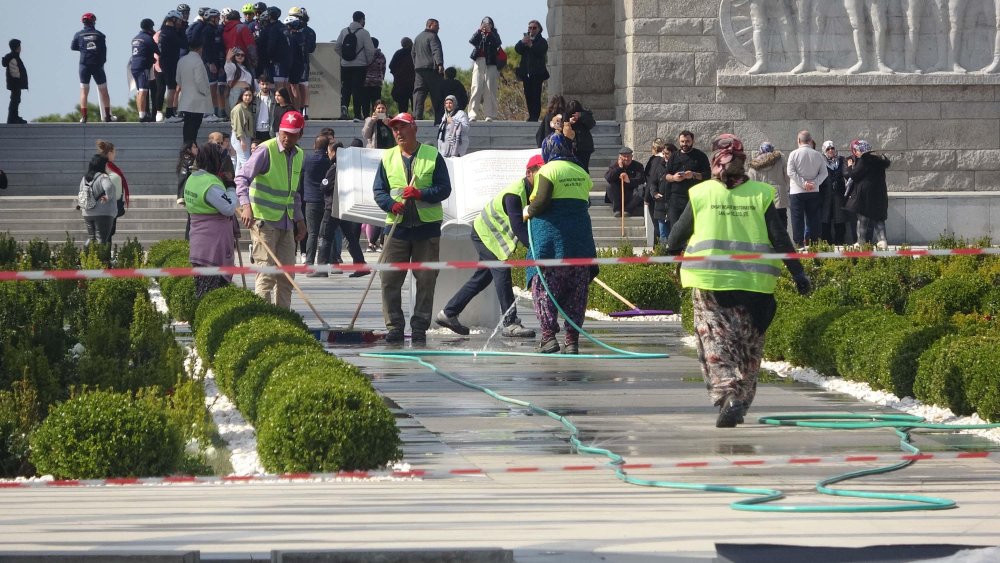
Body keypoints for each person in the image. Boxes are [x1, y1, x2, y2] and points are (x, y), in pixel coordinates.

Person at [665, 133, 811, 428]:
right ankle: (741, 400)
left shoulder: (702, 192)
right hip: (755, 285)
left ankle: (728, 395)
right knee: (747, 346)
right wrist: (798, 273)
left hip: (710, 282)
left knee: (715, 342)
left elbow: (676, 236)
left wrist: (671, 252)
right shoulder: (761, 193)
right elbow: (780, 237)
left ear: (714, 159)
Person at [436, 155, 542, 338]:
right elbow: (518, 227)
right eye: (540, 173)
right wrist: (535, 250)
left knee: (481, 279)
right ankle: (510, 323)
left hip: (491, 236)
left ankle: (448, 313)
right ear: (529, 173)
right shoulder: (515, 194)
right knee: (502, 273)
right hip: (485, 234)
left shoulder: (532, 191)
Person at [372, 112, 452, 344]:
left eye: (402, 127)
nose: (398, 132)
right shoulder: (388, 157)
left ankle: (419, 327)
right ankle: (394, 327)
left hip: (426, 230)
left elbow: (444, 188)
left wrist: (421, 194)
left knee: (426, 280)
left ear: (414, 128)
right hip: (396, 229)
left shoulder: (432, 155)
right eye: (395, 129)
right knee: (389, 280)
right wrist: (391, 204)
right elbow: (379, 190)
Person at [524, 127, 596, 355]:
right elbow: (585, 201)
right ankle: (572, 340)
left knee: (544, 289)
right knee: (577, 291)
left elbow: (542, 201)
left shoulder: (548, 170)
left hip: (550, 243)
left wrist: (528, 211)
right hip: (579, 242)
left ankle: (548, 338)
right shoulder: (581, 171)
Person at [236, 110, 307, 309]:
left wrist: (300, 220)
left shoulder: (299, 155)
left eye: (292, 134)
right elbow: (241, 178)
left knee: (287, 276)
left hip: (287, 222)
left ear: (300, 134)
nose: (286, 138)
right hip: (264, 221)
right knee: (266, 274)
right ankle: (263, 317)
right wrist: (246, 206)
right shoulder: (266, 150)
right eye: (284, 133)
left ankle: (283, 317)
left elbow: (295, 192)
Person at [185, 141, 239, 298]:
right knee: (212, 293)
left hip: (200, 242)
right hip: (212, 246)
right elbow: (228, 208)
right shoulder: (210, 183)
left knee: (203, 289)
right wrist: (230, 186)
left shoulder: (193, 178)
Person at [314, 137, 370, 278]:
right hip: (343, 205)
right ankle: (361, 265)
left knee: (324, 236)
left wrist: (323, 183)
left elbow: (324, 186)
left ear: (334, 152)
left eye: (329, 151)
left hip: (332, 207)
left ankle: (321, 268)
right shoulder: (347, 166)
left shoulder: (334, 167)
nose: (327, 154)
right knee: (350, 237)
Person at [844, 139, 891, 250]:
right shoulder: (879, 159)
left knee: (863, 218)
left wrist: (850, 166)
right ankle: (882, 241)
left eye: (855, 150)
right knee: (879, 218)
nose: (855, 153)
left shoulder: (864, 160)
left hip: (866, 195)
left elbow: (854, 176)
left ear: (859, 150)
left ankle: (861, 242)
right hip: (880, 193)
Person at [786, 130, 828, 248]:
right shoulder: (818, 155)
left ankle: (799, 244)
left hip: (797, 191)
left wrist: (803, 184)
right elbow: (824, 173)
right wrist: (814, 183)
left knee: (797, 219)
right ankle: (814, 244)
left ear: (798, 140)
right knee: (814, 218)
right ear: (810, 140)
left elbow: (790, 172)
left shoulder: (793, 154)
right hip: (813, 191)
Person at [664, 130, 711, 229]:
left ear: (693, 141)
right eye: (682, 141)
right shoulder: (674, 156)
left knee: (692, 228)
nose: (684, 144)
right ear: (679, 141)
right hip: (675, 199)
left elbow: (707, 175)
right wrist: (674, 178)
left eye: (687, 141)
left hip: (694, 198)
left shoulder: (700, 156)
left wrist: (693, 175)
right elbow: (666, 175)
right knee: (675, 228)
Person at [335, 11, 376, 121]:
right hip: (360, 65)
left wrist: (344, 57)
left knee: (346, 88)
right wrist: (367, 61)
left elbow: (337, 47)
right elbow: (370, 50)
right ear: (362, 19)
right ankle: (357, 114)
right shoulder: (364, 33)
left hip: (345, 65)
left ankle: (344, 108)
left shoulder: (344, 31)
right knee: (357, 90)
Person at [71, 13, 112, 123]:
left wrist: (84, 48)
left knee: (84, 91)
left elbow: (73, 47)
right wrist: (102, 61)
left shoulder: (78, 35)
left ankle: (84, 117)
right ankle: (107, 116)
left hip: (84, 65)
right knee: (103, 90)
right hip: (97, 65)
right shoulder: (100, 35)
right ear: (93, 22)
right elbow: (103, 50)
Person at [302, 134, 331, 270]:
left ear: (314, 146)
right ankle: (325, 261)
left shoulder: (307, 159)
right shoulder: (328, 162)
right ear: (327, 147)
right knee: (323, 234)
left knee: (312, 233)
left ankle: (309, 262)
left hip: (310, 200)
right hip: (325, 200)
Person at [177, 37, 213, 145]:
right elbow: (199, 80)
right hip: (197, 100)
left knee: (187, 125)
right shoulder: (198, 61)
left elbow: (177, 79)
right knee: (194, 127)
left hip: (185, 98)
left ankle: (186, 147)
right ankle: (191, 147)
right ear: (200, 48)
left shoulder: (182, 60)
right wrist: (206, 92)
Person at [747, 142, 790, 232]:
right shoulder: (780, 159)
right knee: (781, 219)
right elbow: (787, 176)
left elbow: (751, 182)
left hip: (761, 197)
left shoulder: (754, 164)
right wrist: (785, 188)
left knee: (765, 222)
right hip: (779, 196)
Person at [467, 17, 502, 122]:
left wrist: (490, 33)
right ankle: (472, 114)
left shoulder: (494, 34)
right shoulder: (479, 33)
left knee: (490, 89)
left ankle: (490, 114)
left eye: (488, 23)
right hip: (479, 61)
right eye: (484, 23)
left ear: (492, 24)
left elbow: (497, 43)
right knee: (476, 87)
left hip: (491, 62)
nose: (486, 25)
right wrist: (479, 31)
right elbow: (472, 41)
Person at [514, 20, 548, 122]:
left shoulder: (542, 41)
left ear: (539, 29)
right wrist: (522, 42)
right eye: (530, 28)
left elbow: (540, 51)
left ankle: (535, 116)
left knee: (536, 95)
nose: (531, 30)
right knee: (528, 95)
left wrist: (531, 45)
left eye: (534, 28)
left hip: (537, 73)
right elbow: (517, 49)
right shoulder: (526, 40)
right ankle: (531, 115)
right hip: (526, 73)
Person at [78, 154, 117, 244]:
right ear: (102, 165)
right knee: (101, 240)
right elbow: (108, 187)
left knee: (91, 238)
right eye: (106, 164)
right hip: (103, 213)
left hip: (87, 213)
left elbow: (80, 191)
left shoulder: (84, 178)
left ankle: (86, 252)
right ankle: (100, 254)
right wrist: (108, 197)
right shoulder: (103, 177)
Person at [412, 19, 444, 124]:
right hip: (431, 69)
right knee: (436, 94)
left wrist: (416, 64)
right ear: (430, 25)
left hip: (419, 69)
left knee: (419, 94)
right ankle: (439, 119)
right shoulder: (433, 36)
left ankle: (417, 118)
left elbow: (413, 53)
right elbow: (436, 50)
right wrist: (439, 64)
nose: (438, 28)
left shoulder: (418, 37)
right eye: (436, 26)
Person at [819, 141, 851, 245]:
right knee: (825, 218)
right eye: (828, 149)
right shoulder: (820, 161)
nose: (831, 150)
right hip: (825, 195)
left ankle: (840, 242)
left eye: (832, 148)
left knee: (840, 218)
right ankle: (826, 242)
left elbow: (847, 173)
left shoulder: (841, 160)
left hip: (839, 194)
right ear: (824, 150)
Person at [97, 140, 128, 244]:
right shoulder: (106, 165)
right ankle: (101, 254)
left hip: (109, 204)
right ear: (110, 153)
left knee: (108, 233)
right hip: (107, 205)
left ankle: (102, 253)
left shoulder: (106, 164)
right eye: (114, 152)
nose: (115, 154)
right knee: (106, 234)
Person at [158, 10, 187, 122]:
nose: (180, 23)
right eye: (179, 20)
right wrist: (182, 31)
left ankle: (170, 113)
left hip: (166, 62)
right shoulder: (170, 32)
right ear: (173, 20)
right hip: (169, 62)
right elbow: (184, 44)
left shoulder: (164, 30)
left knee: (172, 88)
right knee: (171, 88)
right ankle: (169, 115)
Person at [645, 140, 676, 244]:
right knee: (662, 234)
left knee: (673, 234)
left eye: (667, 153)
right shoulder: (660, 165)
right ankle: (661, 252)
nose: (664, 156)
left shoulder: (677, 166)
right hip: (661, 203)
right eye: (663, 153)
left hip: (673, 204)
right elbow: (652, 182)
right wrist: (654, 193)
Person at [287, 7, 315, 119]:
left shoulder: (308, 31)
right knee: (292, 85)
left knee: (303, 85)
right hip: (290, 61)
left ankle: (304, 110)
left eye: (295, 16)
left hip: (302, 61)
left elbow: (311, 48)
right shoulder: (288, 30)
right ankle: (294, 107)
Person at [130, 19, 160, 123]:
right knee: (143, 91)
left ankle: (141, 113)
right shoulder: (148, 38)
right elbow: (157, 51)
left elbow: (142, 51)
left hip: (134, 66)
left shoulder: (135, 38)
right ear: (150, 28)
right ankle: (142, 116)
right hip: (143, 67)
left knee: (139, 91)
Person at [604, 146, 645, 218]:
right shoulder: (615, 165)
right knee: (609, 186)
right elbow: (608, 178)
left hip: (631, 193)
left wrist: (628, 180)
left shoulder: (638, 166)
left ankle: (627, 210)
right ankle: (617, 210)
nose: (626, 159)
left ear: (632, 156)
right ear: (620, 157)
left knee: (642, 189)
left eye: (628, 156)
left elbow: (641, 180)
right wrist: (619, 168)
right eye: (624, 156)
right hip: (618, 194)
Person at [565, 100, 596, 172]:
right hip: (571, 145)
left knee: (584, 167)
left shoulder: (585, 114)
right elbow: (562, 128)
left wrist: (581, 116)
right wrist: (569, 122)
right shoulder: (566, 115)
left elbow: (591, 124)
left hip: (584, 146)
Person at [230, 87, 254, 172]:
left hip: (246, 137)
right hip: (239, 138)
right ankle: (247, 179)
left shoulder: (246, 108)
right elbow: (238, 125)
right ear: (241, 96)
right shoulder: (239, 108)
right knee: (246, 162)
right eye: (246, 95)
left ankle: (238, 179)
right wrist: (242, 140)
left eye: (250, 95)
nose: (248, 97)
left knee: (240, 164)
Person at [389, 37, 415, 114]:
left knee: (402, 105)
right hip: (414, 82)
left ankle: (402, 117)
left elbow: (391, 66)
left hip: (401, 83)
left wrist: (397, 74)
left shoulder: (398, 53)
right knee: (415, 103)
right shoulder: (415, 53)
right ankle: (417, 117)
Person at [3, 39, 27, 124]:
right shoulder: (13, 58)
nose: (20, 48)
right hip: (15, 84)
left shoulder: (14, 57)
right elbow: (15, 72)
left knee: (16, 100)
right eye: (19, 46)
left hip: (15, 84)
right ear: (17, 47)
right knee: (15, 101)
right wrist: (19, 82)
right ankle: (13, 118)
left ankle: (14, 117)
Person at [224, 47, 254, 112]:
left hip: (247, 92)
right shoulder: (233, 66)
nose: (240, 56)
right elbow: (228, 68)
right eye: (237, 55)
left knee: (247, 114)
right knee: (237, 112)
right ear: (234, 56)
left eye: (242, 55)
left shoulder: (246, 68)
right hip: (237, 92)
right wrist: (228, 59)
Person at [362, 38, 386, 117]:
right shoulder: (381, 55)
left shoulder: (365, 55)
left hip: (366, 81)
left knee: (365, 100)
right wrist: (381, 78)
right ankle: (378, 117)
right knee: (376, 101)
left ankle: (366, 117)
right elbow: (383, 69)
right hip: (377, 82)